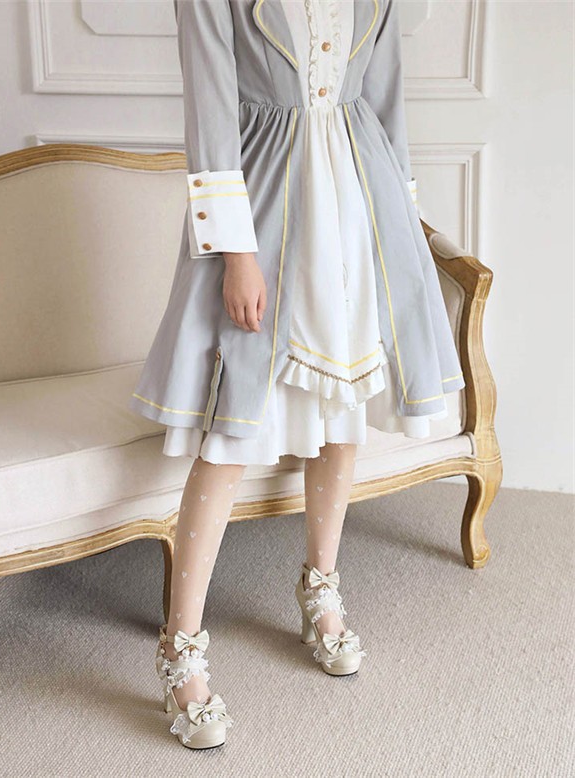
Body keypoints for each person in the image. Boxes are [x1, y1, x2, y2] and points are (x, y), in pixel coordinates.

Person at [132, 0, 465, 749]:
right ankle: (180, 647)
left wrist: (403, 227)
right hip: (266, 211)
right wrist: (236, 254)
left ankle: (321, 588)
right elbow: (210, 110)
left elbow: (385, 99)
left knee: (342, 414)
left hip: (359, 211)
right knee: (232, 430)